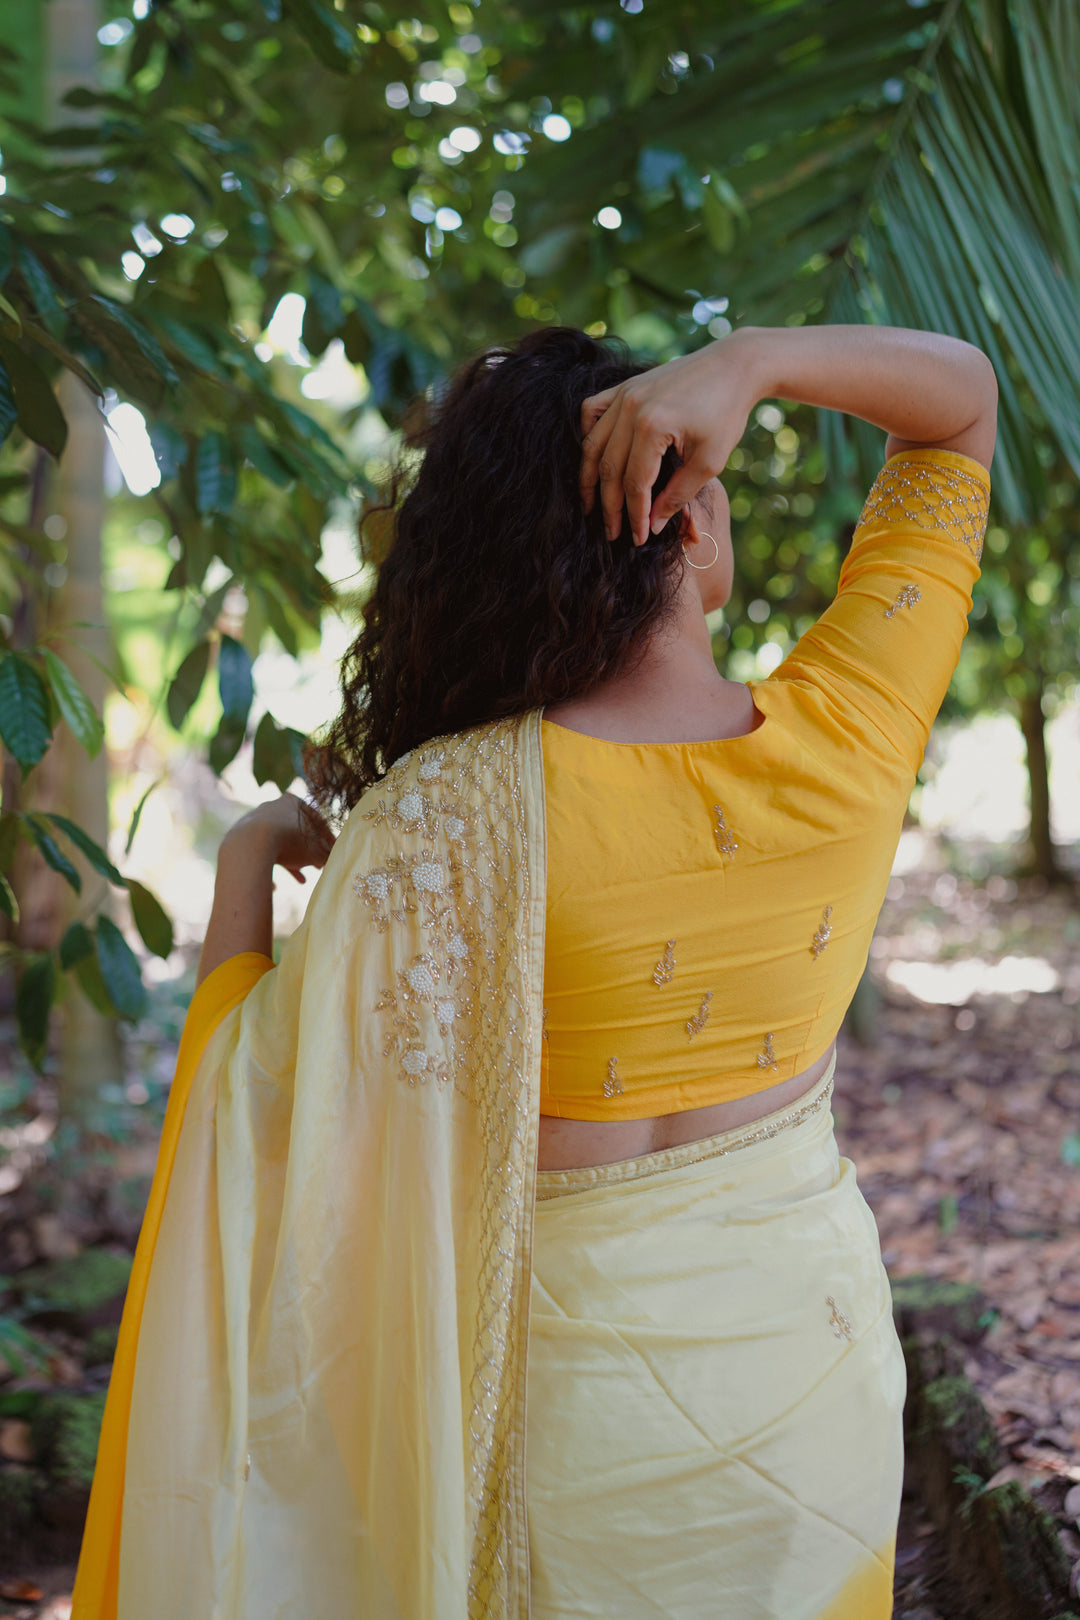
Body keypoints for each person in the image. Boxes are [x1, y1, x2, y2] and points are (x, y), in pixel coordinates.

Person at [72, 321, 996, 1620]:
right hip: (806, 1409)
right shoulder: (854, 733)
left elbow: (257, 1126)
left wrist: (244, 868)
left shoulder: (438, 820)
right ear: (689, 520)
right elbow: (959, 411)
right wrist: (753, 361)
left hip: (555, 1447)